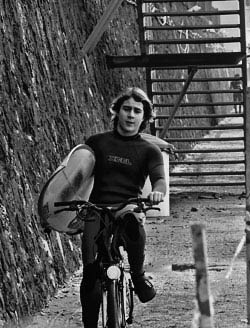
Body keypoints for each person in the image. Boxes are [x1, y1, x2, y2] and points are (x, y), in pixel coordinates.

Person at [80, 88, 166, 328]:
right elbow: (76, 174)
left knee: (133, 222)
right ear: (117, 112)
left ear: (144, 117)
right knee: (90, 273)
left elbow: (160, 179)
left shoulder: (149, 150)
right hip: (96, 208)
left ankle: (137, 276)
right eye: (126, 109)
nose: (131, 115)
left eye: (137, 111)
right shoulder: (96, 142)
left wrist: (158, 192)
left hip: (128, 206)